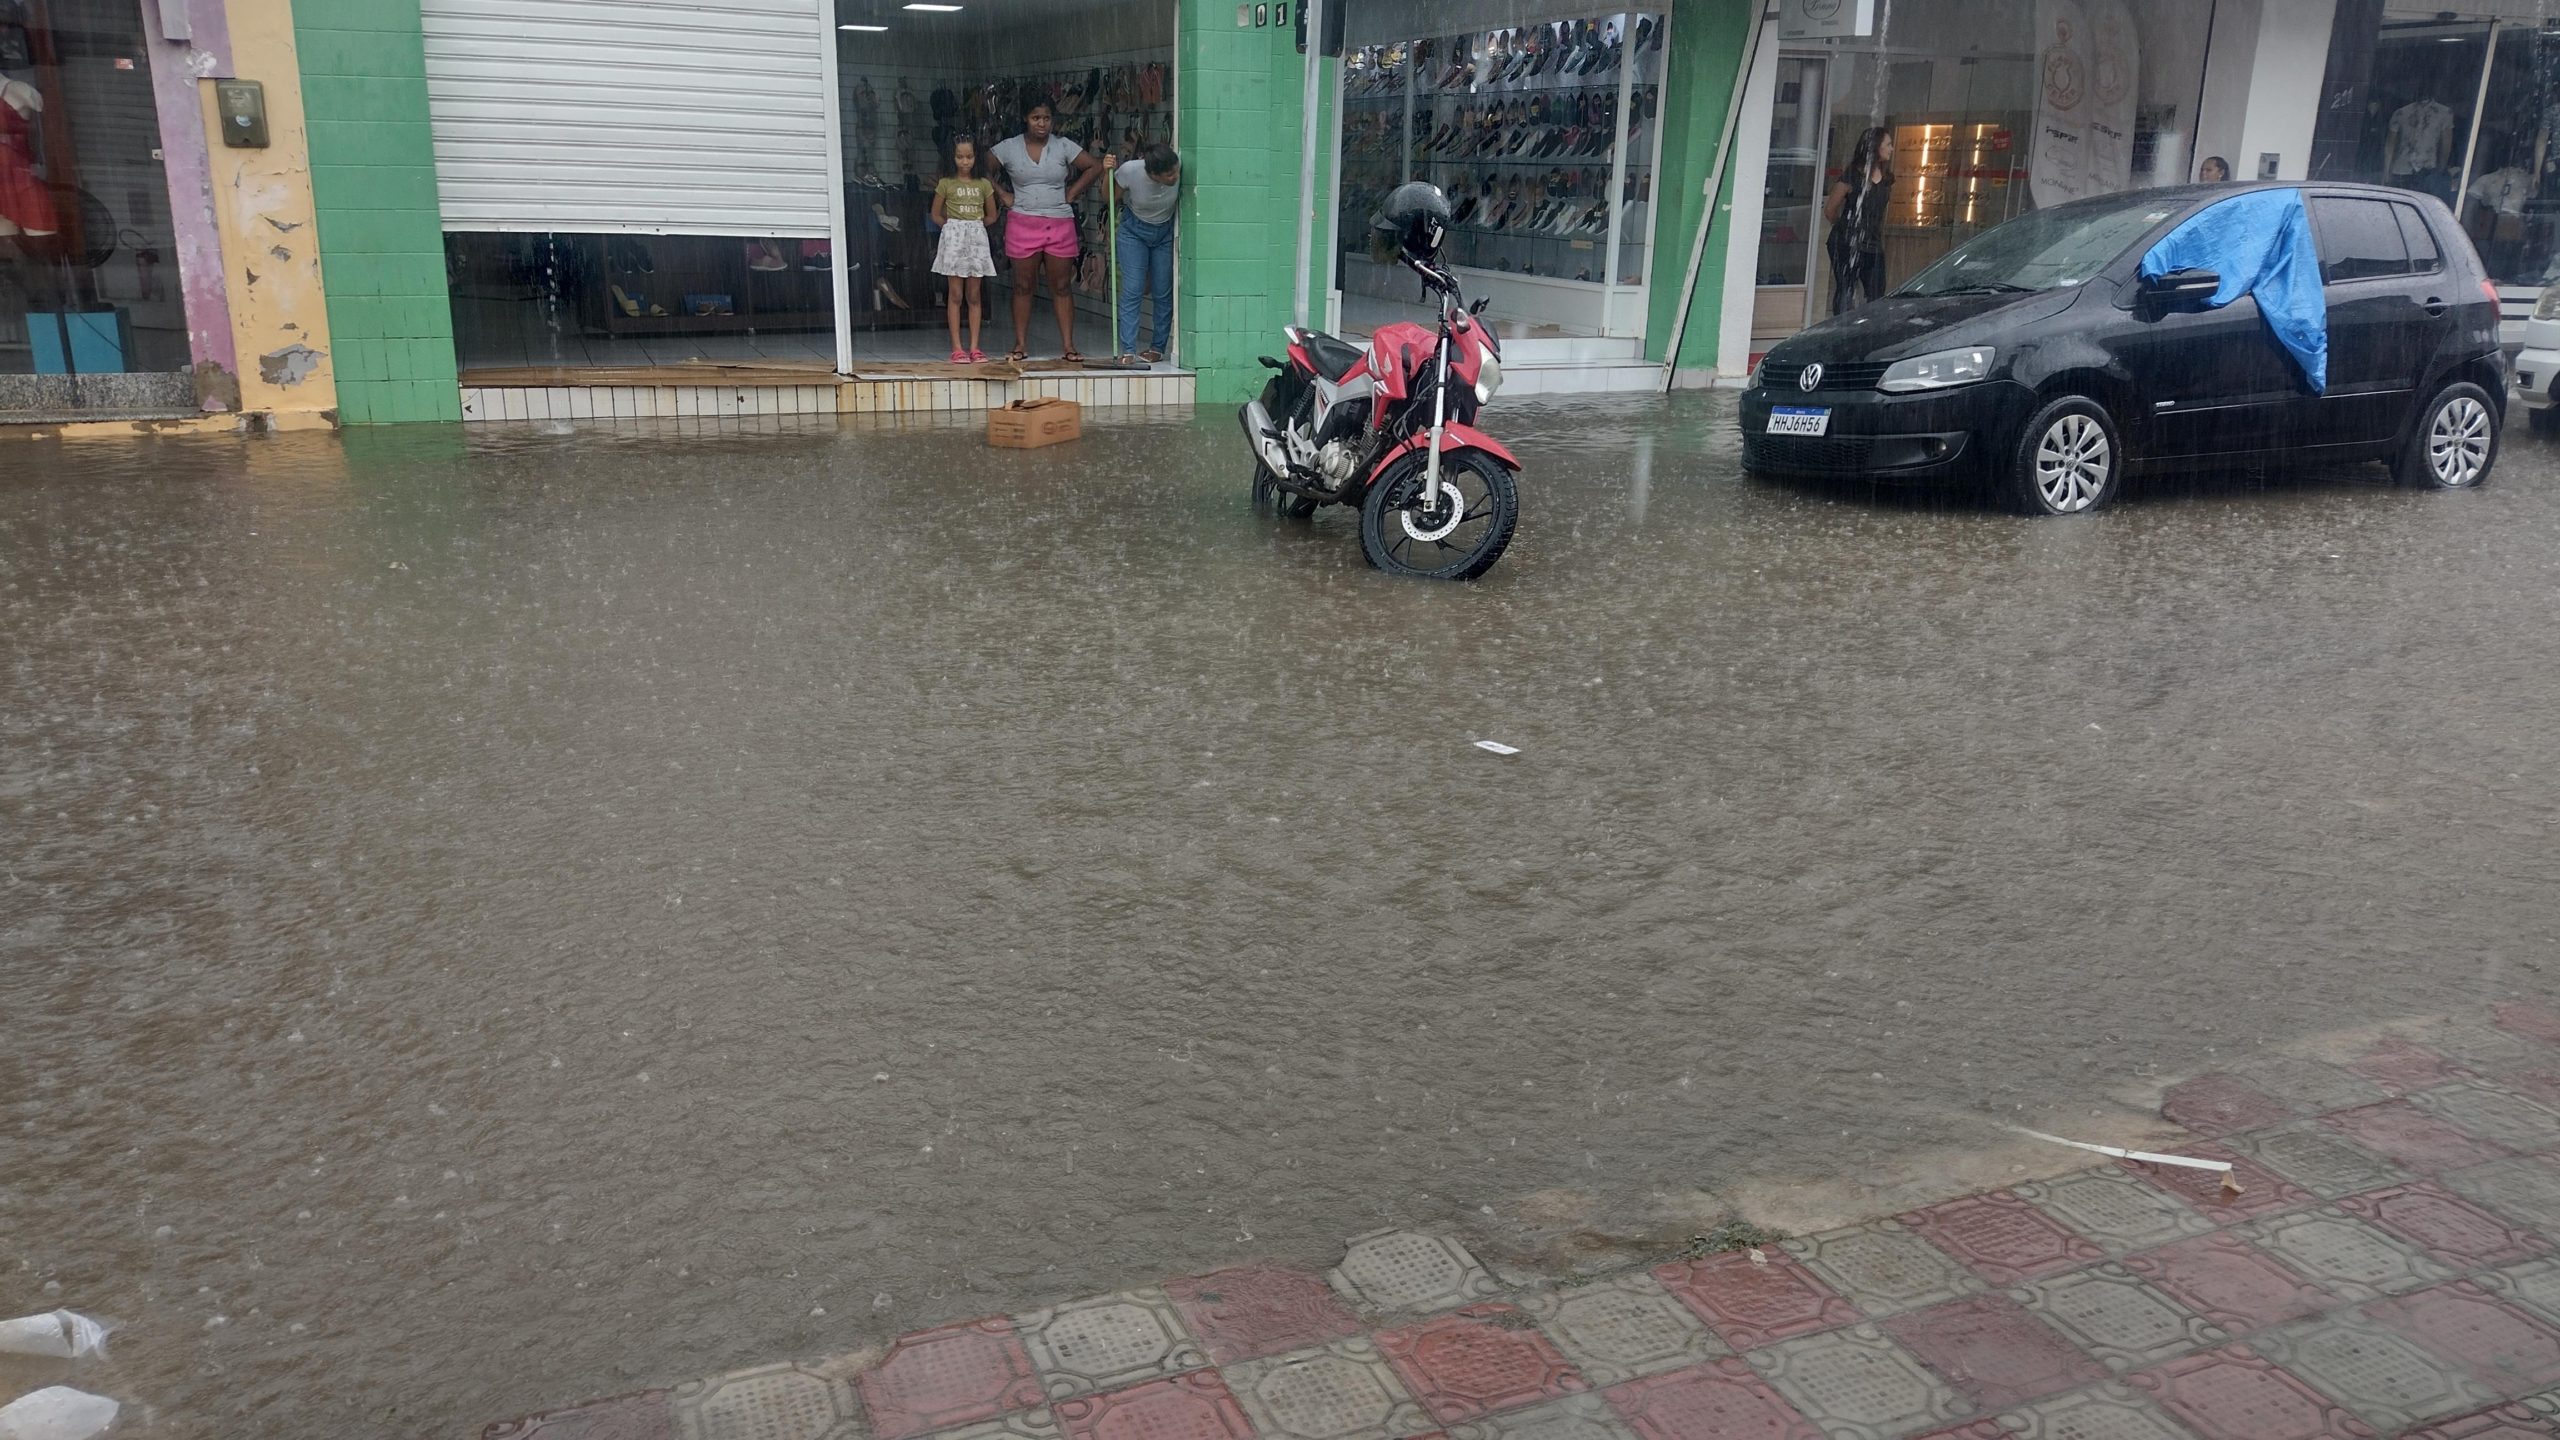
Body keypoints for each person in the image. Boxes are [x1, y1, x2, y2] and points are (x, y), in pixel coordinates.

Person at [991, 103, 1105, 362]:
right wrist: (1002, 194)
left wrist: (1072, 193)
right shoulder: (1009, 147)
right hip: (1022, 221)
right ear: (1025, 118)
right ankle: (1020, 344)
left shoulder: (1064, 145)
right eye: (1035, 117)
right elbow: (981, 169)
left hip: (1059, 223)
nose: (1041, 123)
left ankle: (1069, 345)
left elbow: (1094, 166)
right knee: (1022, 286)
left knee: (1062, 286)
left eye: (1046, 118)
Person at [1109, 144, 1180, 364]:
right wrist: (1107, 172)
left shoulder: (1179, 166)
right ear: (1152, 175)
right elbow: (1108, 196)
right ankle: (1128, 350)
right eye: (1169, 175)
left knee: (1163, 292)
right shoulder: (1131, 171)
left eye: (1176, 170)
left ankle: (1157, 348)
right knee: (1133, 289)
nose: (1175, 177)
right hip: (1134, 232)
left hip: (1165, 232)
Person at [931, 137, 1000, 363]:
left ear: (975, 157)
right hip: (953, 239)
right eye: (960, 156)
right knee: (955, 294)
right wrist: (952, 228)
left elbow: (992, 215)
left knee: (974, 295)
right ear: (952, 158)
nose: (964, 161)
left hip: (976, 239)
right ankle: (957, 348)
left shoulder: (983, 184)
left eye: (969, 157)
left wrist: (974, 228)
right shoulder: (946, 183)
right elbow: (935, 214)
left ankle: (975, 347)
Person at [1823, 126, 1894, 315]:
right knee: (1846, 288)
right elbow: (1830, 209)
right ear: (1875, 147)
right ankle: (1842, 331)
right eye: (1888, 144)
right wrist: (1845, 229)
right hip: (1848, 241)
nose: (1891, 149)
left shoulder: (1887, 178)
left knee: (1877, 291)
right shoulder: (1852, 175)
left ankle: (1869, 330)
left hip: (1873, 242)